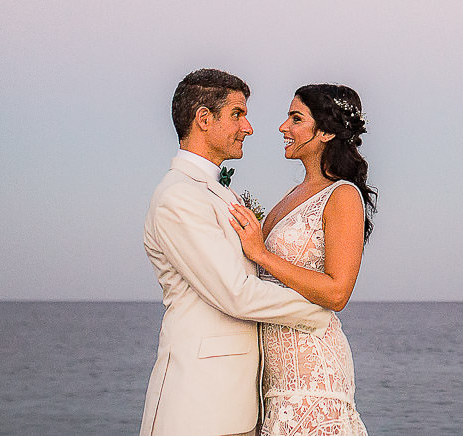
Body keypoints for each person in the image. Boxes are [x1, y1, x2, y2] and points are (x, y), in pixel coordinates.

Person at [142, 69, 334, 436]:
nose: (248, 127)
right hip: (196, 407)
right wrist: (320, 311)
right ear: (203, 119)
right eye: (237, 115)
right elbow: (237, 293)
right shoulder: (178, 197)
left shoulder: (216, 193)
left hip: (236, 406)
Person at [228, 83, 377, 436]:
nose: (283, 127)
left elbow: (337, 292)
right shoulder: (292, 196)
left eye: (296, 118)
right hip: (274, 383)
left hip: (313, 380)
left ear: (325, 132)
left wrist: (261, 253)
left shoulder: (342, 196)